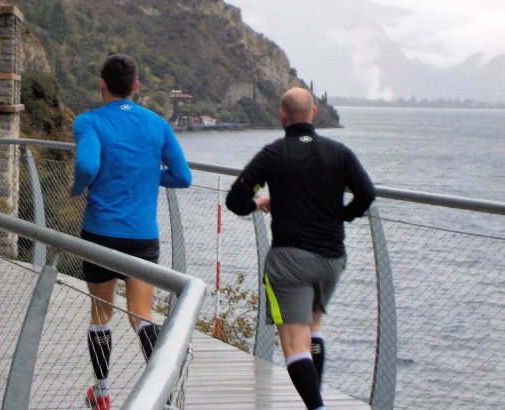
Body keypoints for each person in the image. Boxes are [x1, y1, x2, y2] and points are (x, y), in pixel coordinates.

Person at [225, 87, 375, 410]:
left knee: (295, 345)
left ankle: (317, 408)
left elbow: (235, 201)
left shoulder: (273, 154)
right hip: (331, 260)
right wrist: (342, 215)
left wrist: (256, 203)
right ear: (314, 113)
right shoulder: (339, 152)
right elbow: (366, 192)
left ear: (282, 115)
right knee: (313, 328)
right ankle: (315, 402)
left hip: (289, 262)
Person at [68, 54, 192, 410]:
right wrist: (148, 175)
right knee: (141, 315)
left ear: (101, 85)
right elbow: (183, 177)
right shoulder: (157, 124)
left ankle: (102, 393)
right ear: (136, 86)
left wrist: (78, 187)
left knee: (100, 313)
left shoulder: (88, 121)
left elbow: (87, 164)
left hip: (100, 232)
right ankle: (165, 398)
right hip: (142, 235)